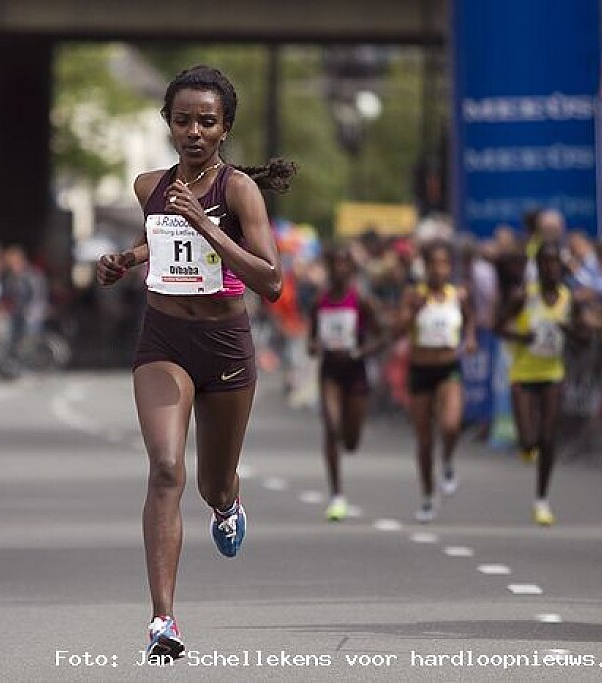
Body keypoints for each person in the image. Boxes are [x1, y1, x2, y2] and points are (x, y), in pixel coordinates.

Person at [96, 65, 294, 661]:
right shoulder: (148, 186)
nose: (194, 131)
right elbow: (163, 240)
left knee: (212, 483)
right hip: (164, 341)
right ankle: (163, 621)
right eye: (183, 120)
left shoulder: (238, 191)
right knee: (165, 469)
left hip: (225, 346)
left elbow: (272, 281)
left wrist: (205, 225)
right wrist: (127, 259)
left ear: (224, 127)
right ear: (168, 123)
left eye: (207, 121)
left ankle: (228, 502)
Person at [397, 240, 477, 523]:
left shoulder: (459, 295)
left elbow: (470, 319)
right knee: (424, 439)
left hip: (448, 368)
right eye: (433, 264)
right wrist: (413, 312)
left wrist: (470, 339)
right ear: (425, 267)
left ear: (450, 267)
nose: (438, 270)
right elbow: (398, 327)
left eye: (444, 264)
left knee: (451, 425)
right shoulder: (413, 295)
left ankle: (448, 461)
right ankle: (428, 496)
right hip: (420, 370)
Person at [496, 242, 574, 525]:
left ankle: (541, 500)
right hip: (523, 374)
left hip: (553, 373)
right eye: (545, 263)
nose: (550, 268)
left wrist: (572, 329)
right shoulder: (523, 297)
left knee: (549, 438)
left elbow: (582, 333)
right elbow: (497, 326)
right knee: (529, 441)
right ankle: (527, 446)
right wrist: (521, 337)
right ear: (537, 267)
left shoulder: (568, 299)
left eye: (555, 263)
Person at [307, 243, 384, 521]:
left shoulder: (361, 300)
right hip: (330, 372)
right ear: (328, 268)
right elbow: (310, 341)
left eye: (344, 264)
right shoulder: (319, 301)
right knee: (331, 427)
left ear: (351, 268)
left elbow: (380, 337)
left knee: (350, 440)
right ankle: (336, 495)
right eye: (334, 264)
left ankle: (347, 443)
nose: (339, 269)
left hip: (355, 371)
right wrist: (316, 346)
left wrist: (361, 352)